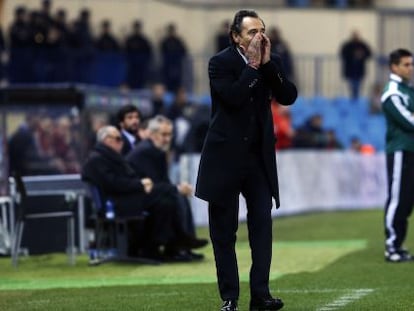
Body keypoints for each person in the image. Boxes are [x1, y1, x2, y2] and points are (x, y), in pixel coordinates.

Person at [195, 10, 297, 311]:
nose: (259, 37)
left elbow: (288, 96)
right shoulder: (220, 63)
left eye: (262, 31)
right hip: (224, 158)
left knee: (262, 229)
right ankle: (230, 297)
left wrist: (266, 66)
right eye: (252, 32)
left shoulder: (270, 61)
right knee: (223, 233)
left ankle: (260, 294)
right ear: (236, 36)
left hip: (258, 160)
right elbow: (234, 98)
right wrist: (253, 66)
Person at [81, 125, 207, 261]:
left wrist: (141, 183)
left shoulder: (109, 157)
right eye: (118, 139)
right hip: (116, 204)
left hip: (125, 198)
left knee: (166, 200)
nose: (121, 142)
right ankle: (167, 243)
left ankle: (166, 244)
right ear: (106, 140)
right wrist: (140, 184)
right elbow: (113, 184)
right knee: (165, 197)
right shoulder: (98, 159)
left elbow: (121, 180)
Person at [126, 115, 206, 260]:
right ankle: (177, 244)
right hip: (136, 196)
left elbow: (161, 182)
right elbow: (152, 184)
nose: (167, 139)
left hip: (147, 194)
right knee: (172, 199)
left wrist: (177, 188)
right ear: (152, 134)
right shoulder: (146, 151)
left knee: (178, 196)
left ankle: (183, 244)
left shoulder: (155, 150)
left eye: (170, 134)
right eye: (164, 134)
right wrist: (176, 188)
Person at [381, 48, 414, 263]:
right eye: (406, 64)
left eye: (411, 64)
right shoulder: (392, 92)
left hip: (410, 150)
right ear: (394, 67)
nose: (410, 68)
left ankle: (399, 245)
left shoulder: (406, 89)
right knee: (397, 199)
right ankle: (391, 245)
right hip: (400, 151)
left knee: (407, 200)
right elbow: (409, 121)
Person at [339, 30, 372, 100]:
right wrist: (353, 55)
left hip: (359, 70)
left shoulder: (362, 45)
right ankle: (353, 98)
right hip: (350, 69)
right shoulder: (347, 45)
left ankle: (355, 98)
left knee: (358, 86)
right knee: (352, 86)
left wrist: (362, 55)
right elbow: (343, 54)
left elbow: (369, 54)